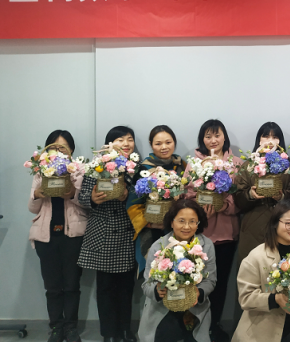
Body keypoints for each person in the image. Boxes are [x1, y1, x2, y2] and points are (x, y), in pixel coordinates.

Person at [78, 126, 139, 342]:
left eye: (129, 139)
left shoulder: (136, 167)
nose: (125, 143)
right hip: (102, 234)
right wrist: (92, 199)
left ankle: (125, 330)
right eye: (120, 139)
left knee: (126, 288)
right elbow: (82, 196)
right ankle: (109, 333)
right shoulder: (96, 165)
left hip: (127, 234)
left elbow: (144, 195)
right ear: (109, 144)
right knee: (104, 288)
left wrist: (128, 195)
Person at [184, 119, 243, 342]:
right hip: (199, 236)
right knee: (195, 282)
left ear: (224, 137)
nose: (213, 140)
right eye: (208, 136)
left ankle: (213, 325)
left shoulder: (236, 163)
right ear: (202, 139)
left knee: (220, 285)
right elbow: (186, 195)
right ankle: (194, 326)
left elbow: (241, 198)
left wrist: (224, 205)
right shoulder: (193, 164)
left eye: (217, 135)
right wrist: (200, 208)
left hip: (227, 235)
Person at [28, 130, 87, 342]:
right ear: (47, 150)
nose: (58, 151)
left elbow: (87, 204)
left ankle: (70, 328)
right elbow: (32, 208)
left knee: (72, 285)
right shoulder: (40, 172)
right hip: (46, 237)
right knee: (52, 287)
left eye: (63, 147)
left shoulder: (79, 172)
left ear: (71, 150)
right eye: (54, 147)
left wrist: (73, 194)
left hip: (73, 236)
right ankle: (56, 327)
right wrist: (36, 194)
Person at [232, 199, 290, 342]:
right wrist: (275, 299)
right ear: (275, 223)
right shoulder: (256, 257)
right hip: (262, 330)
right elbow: (245, 298)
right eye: (288, 223)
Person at [138, 199, 217, 342]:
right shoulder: (158, 246)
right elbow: (146, 284)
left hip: (193, 310)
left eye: (192, 221)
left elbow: (210, 280)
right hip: (163, 310)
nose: (186, 227)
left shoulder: (206, 245)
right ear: (171, 222)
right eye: (181, 221)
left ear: (198, 223)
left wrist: (199, 292)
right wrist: (157, 290)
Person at [128, 125, 187, 276]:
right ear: (151, 144)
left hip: (180, 230)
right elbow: (133, 204)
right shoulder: (143, 170)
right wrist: (149, 223)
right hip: (152, 230)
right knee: (154, 275)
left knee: (180, 273)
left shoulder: (182, 166)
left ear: (174, 142)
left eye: (168, 142)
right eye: (158, 143)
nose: (164, 147)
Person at [235, 122, 290, 265]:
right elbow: (237, 198)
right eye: (266, 136)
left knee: (282, 269)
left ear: (280, 141)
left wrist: (281, 197)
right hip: (253, 226)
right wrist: (250, 195)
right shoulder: (248, 165)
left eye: (275, 137)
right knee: (252, 269)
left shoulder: (288, 166)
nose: (270, 141)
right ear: (259, 140)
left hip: (281, 224)